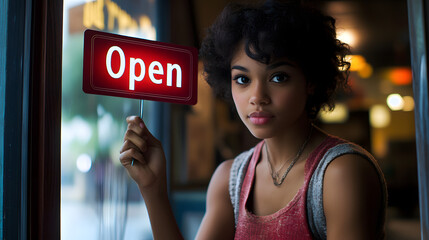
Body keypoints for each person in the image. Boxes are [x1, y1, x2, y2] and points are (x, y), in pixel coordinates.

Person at [119, 1, 387, 239]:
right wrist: (153, 189)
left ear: (312, 81)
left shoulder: (339, 174)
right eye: (243, 79)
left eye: (278, 77)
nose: (257, 97)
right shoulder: (230, 180)